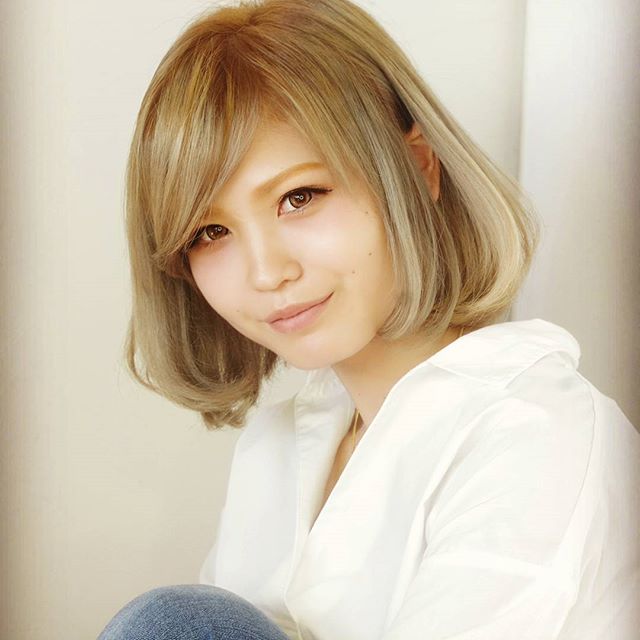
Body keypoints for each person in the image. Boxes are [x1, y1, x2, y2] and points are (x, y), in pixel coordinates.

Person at [98, 0, 640, 638]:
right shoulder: (276, 447)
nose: (266, 273)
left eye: (300, 197)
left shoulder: (536, 435)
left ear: (418, 169)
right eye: (210, 232)